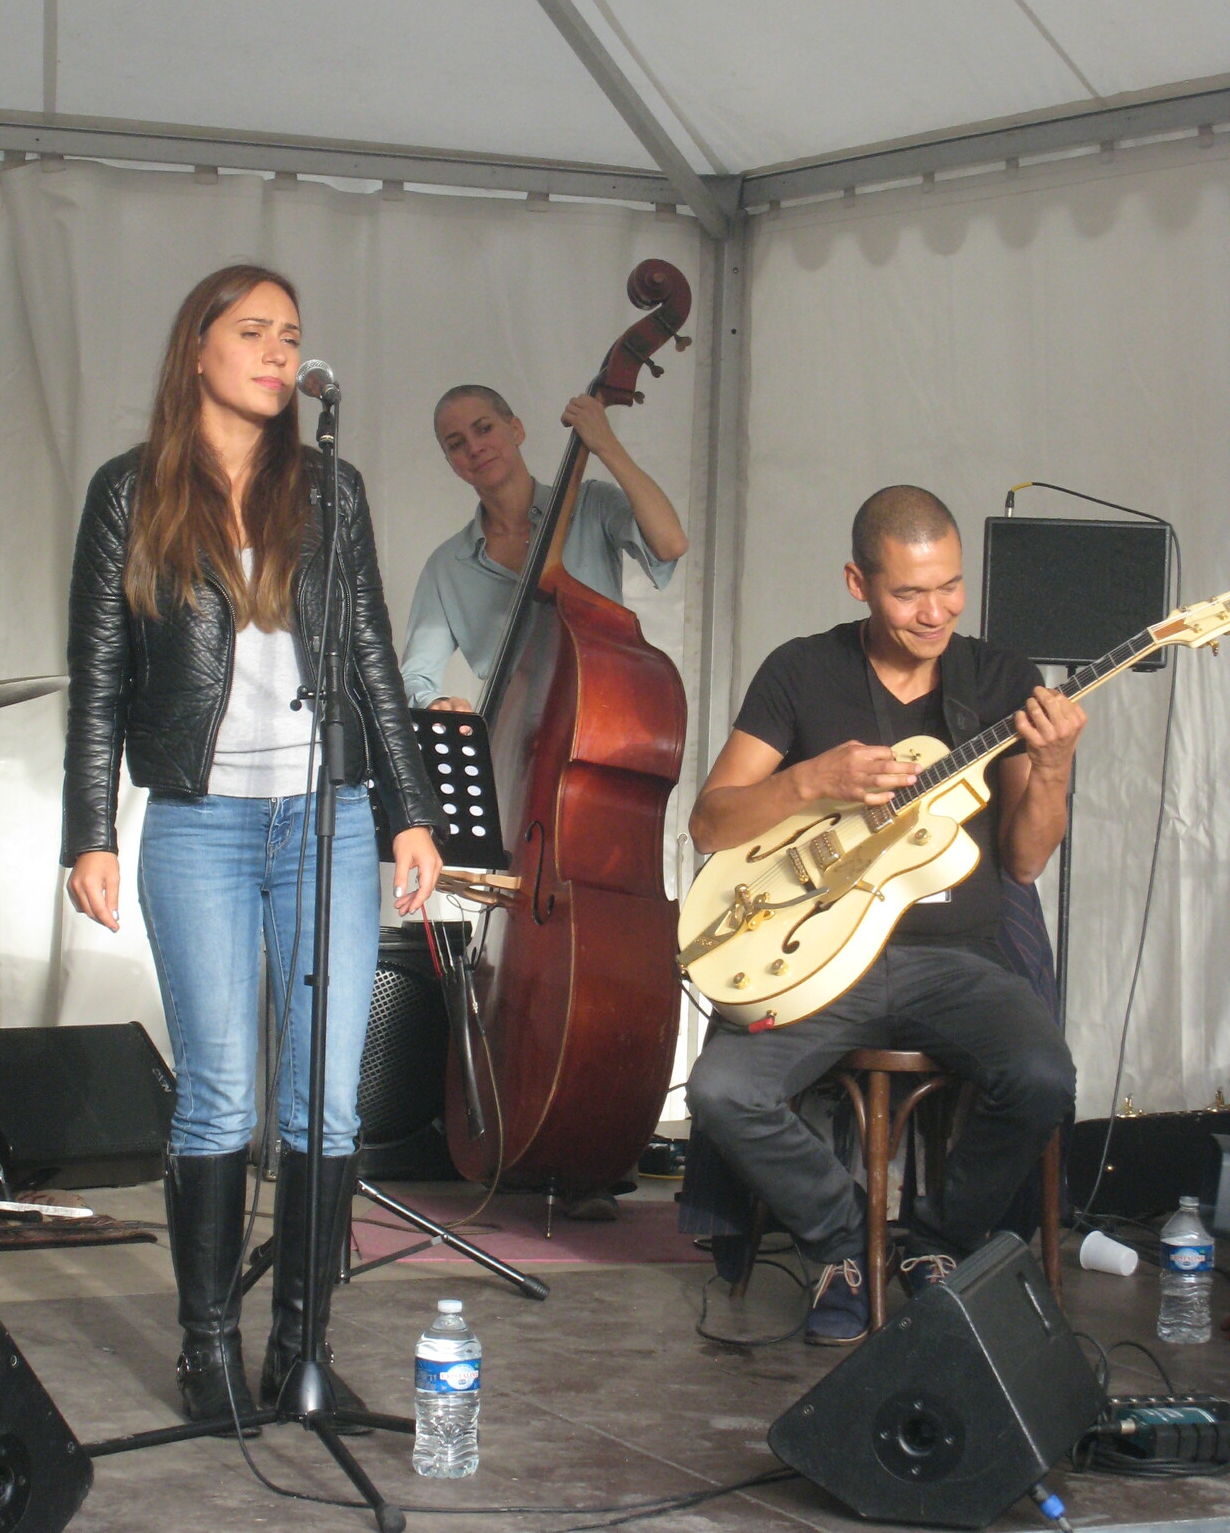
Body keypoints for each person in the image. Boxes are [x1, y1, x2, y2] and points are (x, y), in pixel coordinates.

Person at [62, 264, 443, 1430]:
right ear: (199, 349)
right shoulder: (130, 491)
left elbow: (370, 650)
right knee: (219, 1092)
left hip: (325, 816)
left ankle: (302, 1355)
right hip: (200, 821)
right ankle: (208, 1351)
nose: (279, 354)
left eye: (291, 335)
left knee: (324, 1103)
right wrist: (89, 833)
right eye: (253, 333)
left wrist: (408, 809)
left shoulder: (330, 488)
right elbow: (98, 672)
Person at [685, 485, 1082, 1344]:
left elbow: (1023, 860)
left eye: (950, 586)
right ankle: (842, 1243)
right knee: (720, 1090)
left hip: (961, 960)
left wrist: (1052, 768)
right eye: (908, 593)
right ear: (857, 583)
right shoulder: (801, 670)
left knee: (1043, 1077)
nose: (935, 612)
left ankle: (936, 1241)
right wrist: (810, 779)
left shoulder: (1001, 678)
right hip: (822, 960)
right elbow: (709, 822)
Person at [399, 384, 688, 711]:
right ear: (452, 463)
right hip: (510, 732)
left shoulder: (591, 505)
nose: (474, 448)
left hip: (603, 714)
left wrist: (606, 444)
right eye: (456, 444)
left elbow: (670, 544)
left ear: (516, 430)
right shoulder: (447, 565)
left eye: (484, 429)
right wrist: (436, 702)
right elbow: (415, 677)